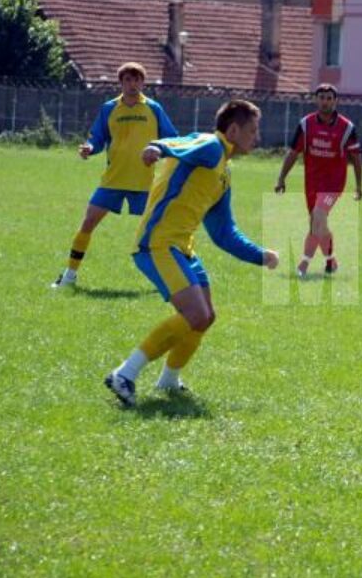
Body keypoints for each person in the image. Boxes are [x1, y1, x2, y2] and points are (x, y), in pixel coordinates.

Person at [103, 100, 279, 406]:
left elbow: (224, 232)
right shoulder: (211, 145)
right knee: (195, 314)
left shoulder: (223, 170)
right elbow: (181, 141)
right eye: (252, 130)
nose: (257, 137)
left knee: (206, 317)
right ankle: (124, 374)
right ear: (233, 130)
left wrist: (259, 255)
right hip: (157, 243)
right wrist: (157, 147)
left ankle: (168, 380)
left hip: (182, 247)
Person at [52, 62, 179, 288]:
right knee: (88, 223)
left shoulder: (154, 108)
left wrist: (159, 149)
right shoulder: (109, 108)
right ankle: (69, 276)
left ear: (143, 82)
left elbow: (172, 138)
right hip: (113, 180)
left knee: (161, 232)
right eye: (128, 80)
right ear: (120, 83)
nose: (133, 84)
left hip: (144, 182)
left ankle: (173, 279)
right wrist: (90, 148)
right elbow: (97, 138)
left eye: (137, 80)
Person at [275, 83, 362, 277]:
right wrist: (281, 178)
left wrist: (358, 184)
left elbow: (356, 157)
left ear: (335, 101)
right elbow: (293, 153)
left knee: (319, 216)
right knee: (316, 224)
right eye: (322, 98)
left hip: (333, 184)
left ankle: (303, 265)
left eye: (329, 98)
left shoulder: (346, 127)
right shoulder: (306, 124)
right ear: (316, 100)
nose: (325, 102)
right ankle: (331, 261)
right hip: (312, 182)